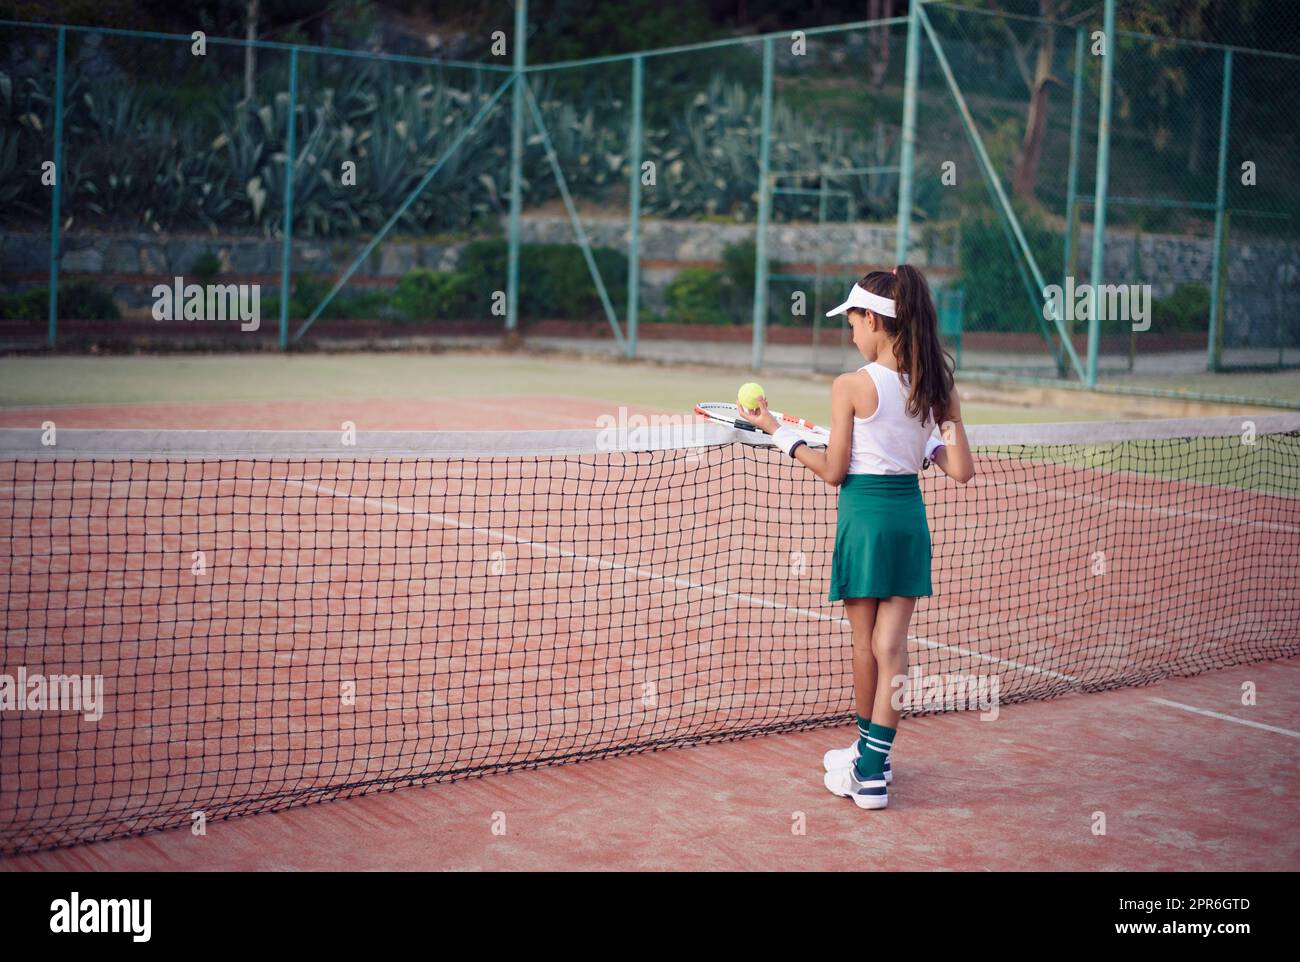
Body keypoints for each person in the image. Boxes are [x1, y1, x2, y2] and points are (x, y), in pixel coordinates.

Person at [739, 265, 974, 810]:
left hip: (864, 521)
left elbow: (834, 470)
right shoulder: (936, 384)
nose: (850, 334)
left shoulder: (850, 385)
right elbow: (959, 467)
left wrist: (778, 432)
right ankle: (871, 757)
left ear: (874, 319)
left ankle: (868, 774)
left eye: (852, 323)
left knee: (865, 645)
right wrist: (929, 445)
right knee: (891, 647)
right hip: (908, 521)